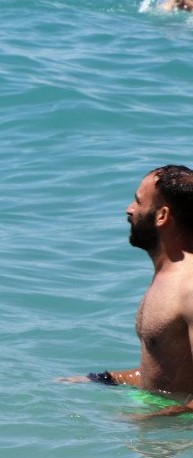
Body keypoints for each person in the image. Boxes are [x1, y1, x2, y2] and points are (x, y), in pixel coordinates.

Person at [65, 166, 193, 416]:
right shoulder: (169, 278)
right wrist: (104, 379)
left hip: (178, 440)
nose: (129, 209)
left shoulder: (189, 287)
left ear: (162, 215)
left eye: (138, 201)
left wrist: (152, 420)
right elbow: (167, 370)